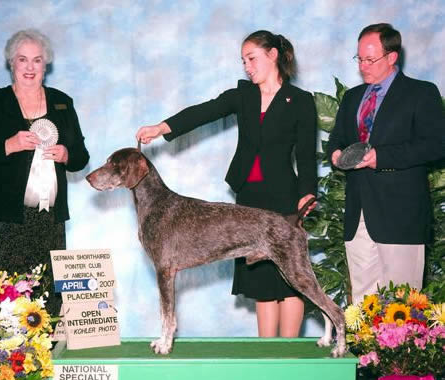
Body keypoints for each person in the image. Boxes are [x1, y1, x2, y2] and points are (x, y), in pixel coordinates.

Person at [136, 30, 317, 337]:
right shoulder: (242, 95)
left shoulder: (300, 101)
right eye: (243, 60)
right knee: (262, 283)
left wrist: (308, 194)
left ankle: (290, 354)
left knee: (289, 283)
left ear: (273, 55)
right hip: (249, 196)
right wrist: (162, 127)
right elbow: (204, 112)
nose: (247, 66)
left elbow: (306, 154)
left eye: (252, 58)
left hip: (286, 195)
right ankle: (266, 355)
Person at [327, 23, 444, 305]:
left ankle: (399, 352)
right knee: (363, 301)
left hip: (401, 213)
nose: (363, 66)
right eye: (359, 59)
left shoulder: (421, 92)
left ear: (392, 57)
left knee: (402, 304)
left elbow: (437, 144)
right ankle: (363, 351)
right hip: (359, 213)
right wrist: (335, 154)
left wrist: (382, 157)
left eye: (370, 59)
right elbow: (337, 140)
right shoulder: (353, 97)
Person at [0, 29, 90, 316]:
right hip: (4, 220)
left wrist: (67, 154)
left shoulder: (62, 102)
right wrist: (9, 145)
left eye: (37, 60)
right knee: (4, 299)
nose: (30, 67)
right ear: (11, 64)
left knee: (47, 299)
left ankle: (46, 357)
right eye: (23, 60)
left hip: (49, 221)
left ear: (46, 65)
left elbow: (81, 157)